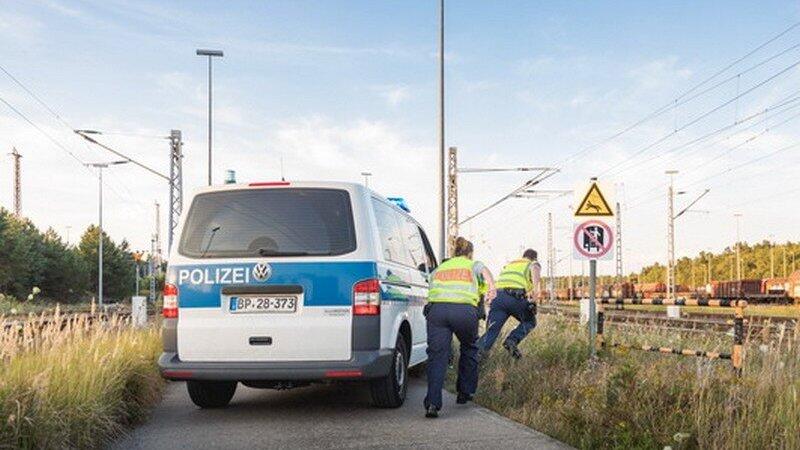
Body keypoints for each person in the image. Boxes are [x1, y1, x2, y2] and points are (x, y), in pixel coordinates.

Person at [424, 237, 495, 418]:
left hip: (437, 311)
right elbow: (484, 271)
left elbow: (431, 286)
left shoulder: (442, 267)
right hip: (463, 311)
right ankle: (465, 392)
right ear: (470, 253)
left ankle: (432, 403)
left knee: (437, 356)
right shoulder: (471, 264)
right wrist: (492, 288)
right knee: (470, 347)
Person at [477, 249, 541, 360]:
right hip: (516, 298)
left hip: (498, 298)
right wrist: (535, 292)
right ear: (534, 258)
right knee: (530, 321)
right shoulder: (531, 263)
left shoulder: (511, 264)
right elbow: (535, 268)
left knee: (492, 330)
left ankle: (474, 359)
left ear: (523, 256)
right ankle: (512, 340)